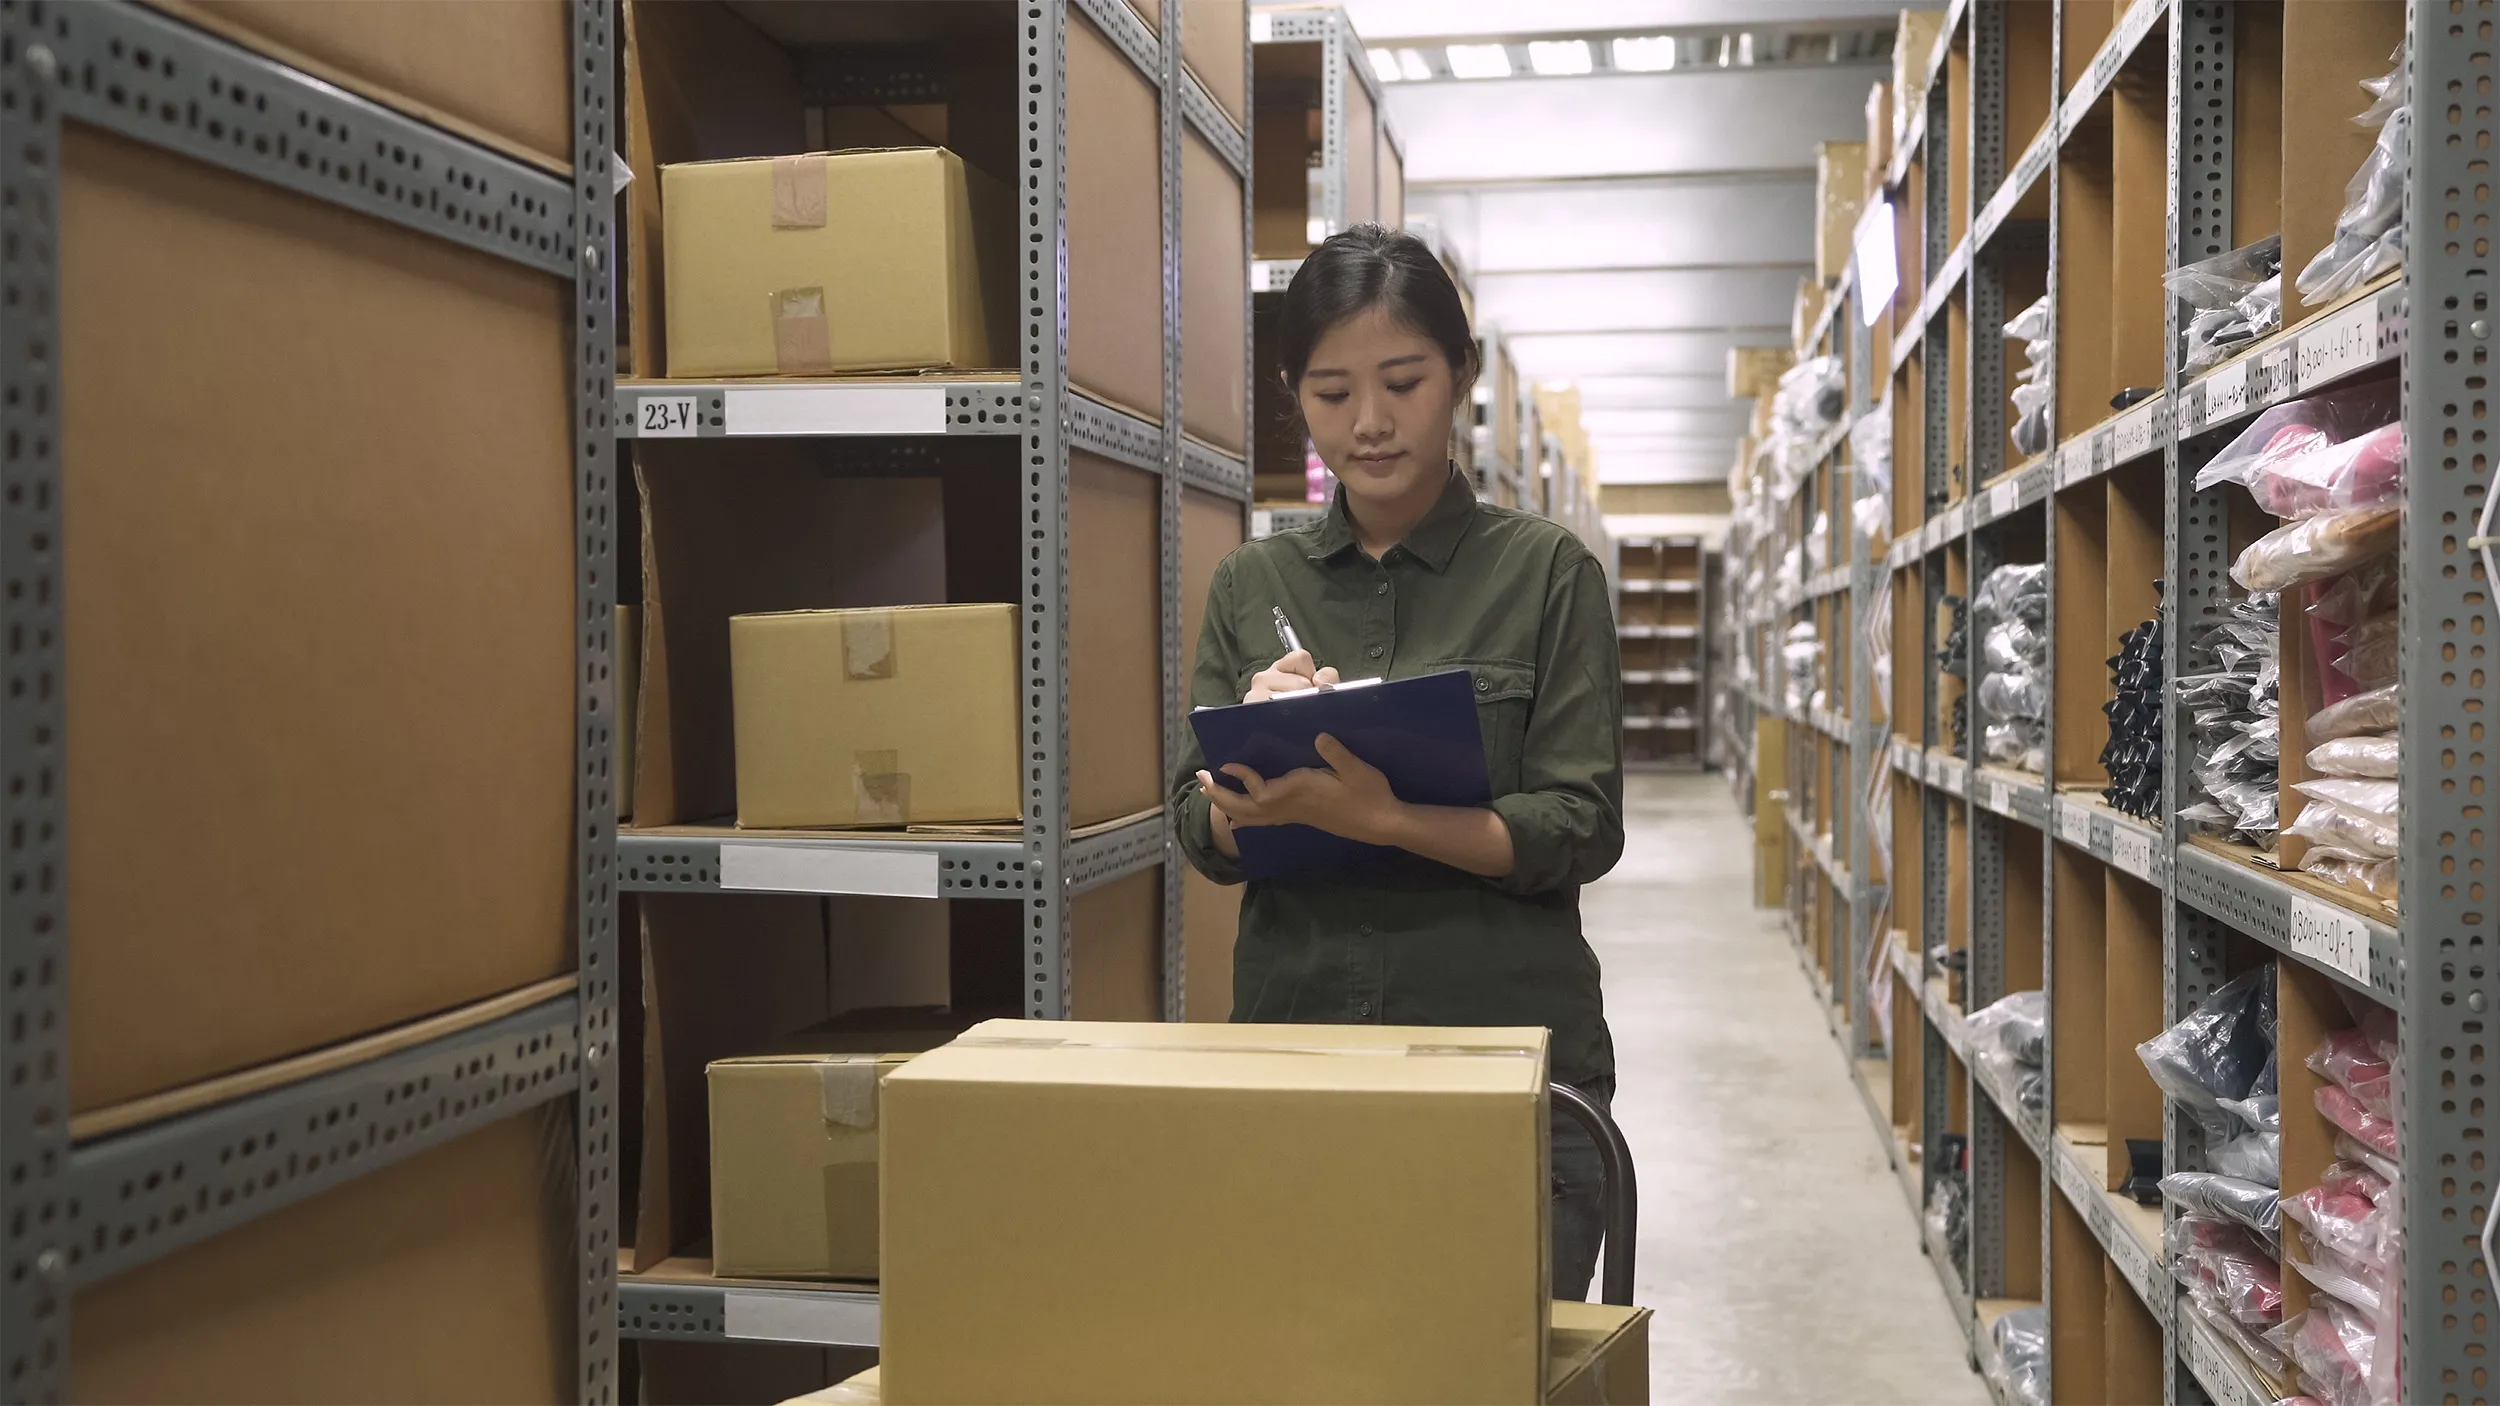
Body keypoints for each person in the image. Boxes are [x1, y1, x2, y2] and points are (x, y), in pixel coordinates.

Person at [1171, 223, 1625, 1300]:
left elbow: (1580, 823)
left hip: (1512, 1065)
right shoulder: (1251, 582)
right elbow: (1195, 829)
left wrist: (1383, 818)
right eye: (1329, 393)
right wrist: (1248, 779)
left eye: (1403, 381)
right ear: (1296, 396)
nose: (1367, 423)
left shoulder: (1545, 572)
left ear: (1459, 375)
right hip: (1300, 1057)